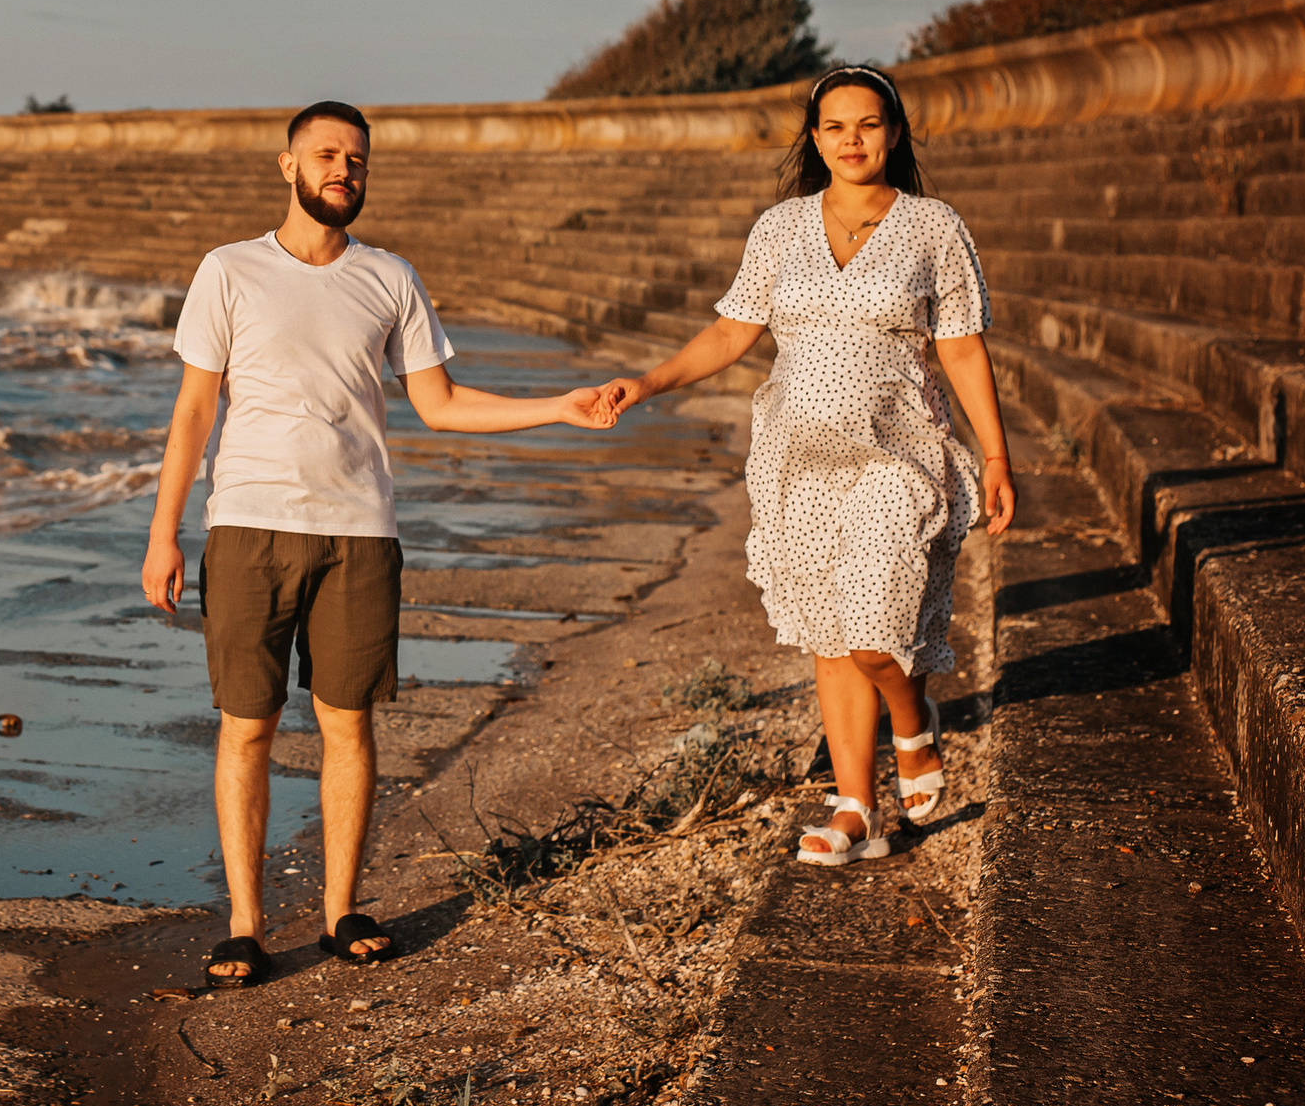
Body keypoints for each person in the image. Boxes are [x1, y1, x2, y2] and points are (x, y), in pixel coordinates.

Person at [141, 100, 618, 986]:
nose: (342, 171)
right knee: (249, 724)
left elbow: (442, 402)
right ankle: (244, 923)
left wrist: (559, 404)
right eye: (325, 156)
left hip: (359, 529)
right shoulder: (230, 270)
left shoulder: (389, 277)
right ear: (286, 166)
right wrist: (163, 532)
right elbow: (194, 413)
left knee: (346, 722)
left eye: (356, 160)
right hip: (247, 525)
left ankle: (340, 910)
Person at [600, 66, 1015, 866]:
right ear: (814, 137)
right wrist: (647, 381)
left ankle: (912, 721)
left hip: (898, 452)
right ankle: (856, 808)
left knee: (870, 628)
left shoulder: (931, 226)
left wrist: (994, 454)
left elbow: (961, 345)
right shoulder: (780, 228)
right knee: (832, 633)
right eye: (835, 127)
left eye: (868, 124)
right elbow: (731, 332)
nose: (852, 140)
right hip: (800, 461)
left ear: (893, 133)